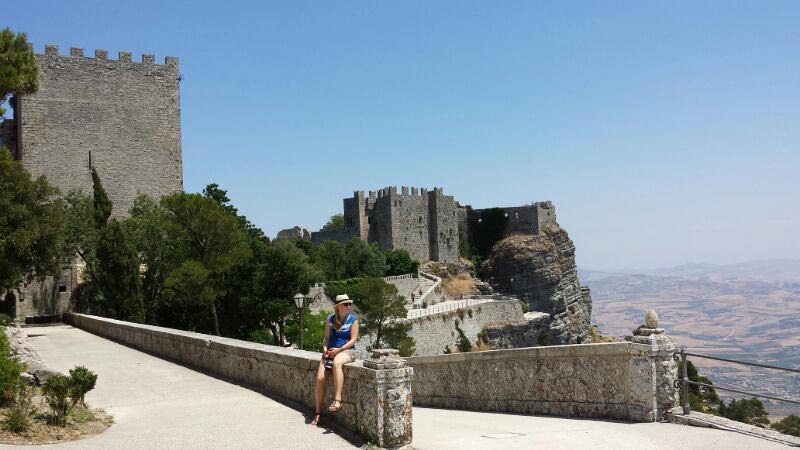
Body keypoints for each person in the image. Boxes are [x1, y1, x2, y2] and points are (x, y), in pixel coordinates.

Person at [311, 294, 359, 426]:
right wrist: (325, 350)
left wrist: (339, 350)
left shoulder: (353, 320)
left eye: (349, 304)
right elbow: (326, 338)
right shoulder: (330, 320)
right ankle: (318, 412)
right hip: (331, 351)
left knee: (337, 363)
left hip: (347, 351)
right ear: (338, 307)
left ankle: (338, 399)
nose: (348, 306)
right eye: (345, 304)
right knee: (320, 378)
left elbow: (353, 340)